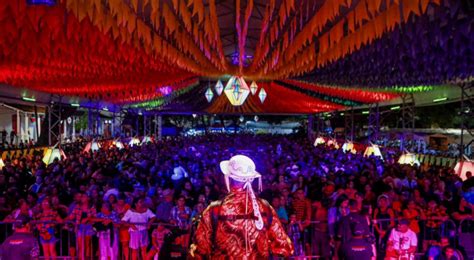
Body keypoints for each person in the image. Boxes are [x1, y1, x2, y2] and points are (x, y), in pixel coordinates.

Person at [189, 155, 294, 258]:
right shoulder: (265, 208)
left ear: (228, 179)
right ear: (251, 180)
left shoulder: (215, 209)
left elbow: (200, 249)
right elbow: (284, 246)